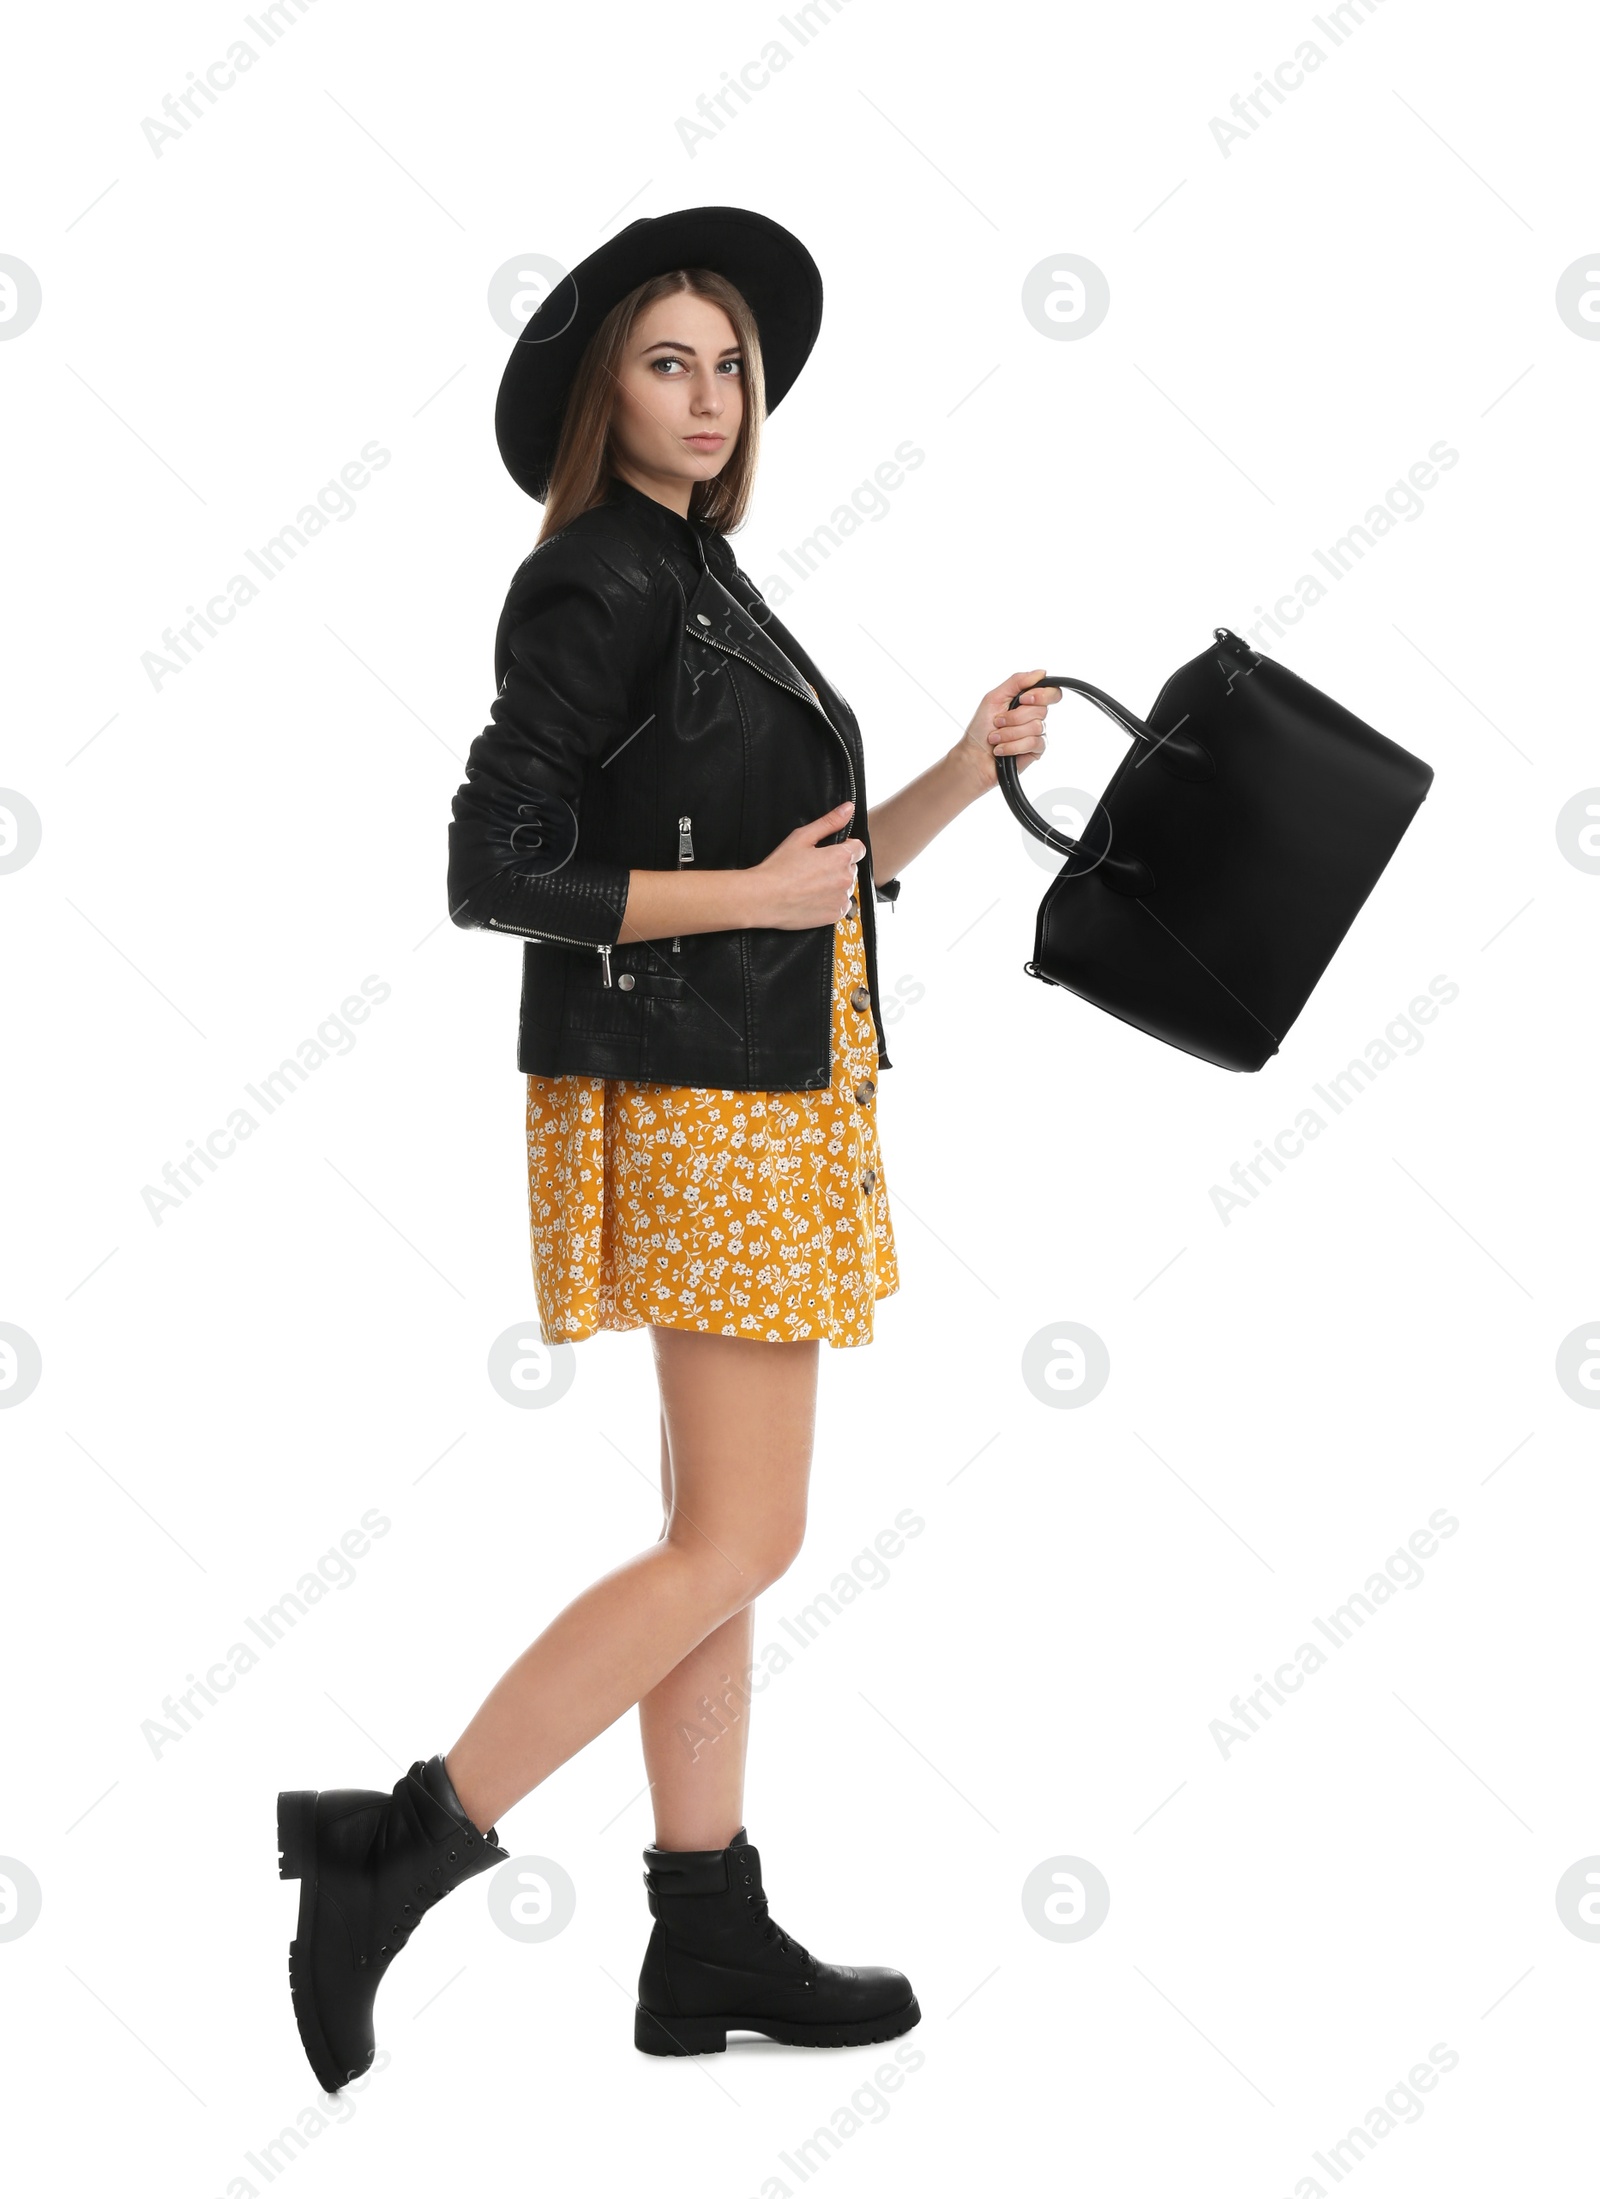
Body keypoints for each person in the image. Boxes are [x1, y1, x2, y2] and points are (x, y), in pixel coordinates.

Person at [276, 205, 1059, 2090]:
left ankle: (700, 1936)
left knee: (723, 1546)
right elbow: (494, 869)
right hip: (697, 1097)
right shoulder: (602, 581)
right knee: (743, 1531)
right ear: (599, 396)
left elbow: (818, 880)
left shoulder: (710, 576)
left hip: (769, 1084)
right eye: (668, 363)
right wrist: (742, 906)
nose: (711, 397)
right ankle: (394, 1846)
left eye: (731, 366)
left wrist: (963, 768)